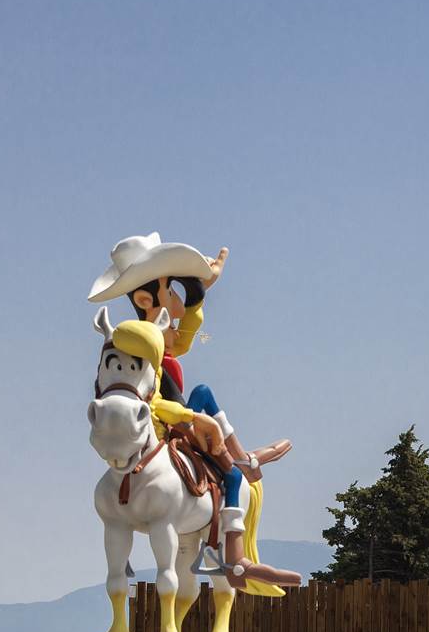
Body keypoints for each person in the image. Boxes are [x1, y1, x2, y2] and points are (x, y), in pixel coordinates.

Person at [89, 233, 299, 589]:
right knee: (230, 471)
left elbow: (185, 335)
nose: (177, 302)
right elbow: (152, 400)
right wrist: (190, 417)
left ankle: (240, 463)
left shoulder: (156, 337)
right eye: (171, 291)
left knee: (205, 402)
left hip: (173, 417)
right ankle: (235, 548)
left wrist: (200, 290)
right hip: (164, 423)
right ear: (145, 300)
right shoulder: (144, 345)